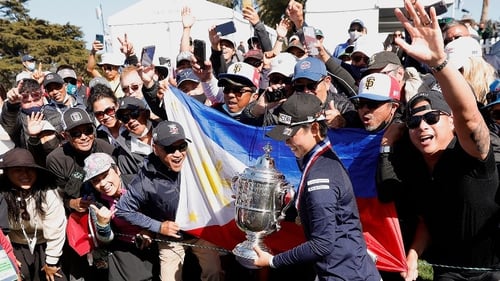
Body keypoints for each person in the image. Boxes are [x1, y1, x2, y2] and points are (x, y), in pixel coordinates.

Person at [378, 1, 500, 280]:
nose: (422, 126)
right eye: (413, 121)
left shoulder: (473, 156)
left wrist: (438, 63)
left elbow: (469, 117)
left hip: (490, 273)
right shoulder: (417, 164)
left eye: (432, 117)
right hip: (447, 271)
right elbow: (429, 218)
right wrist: (413, 255)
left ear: (450, 122)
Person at [253, 93, 381, 281]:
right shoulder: (317, 162)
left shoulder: (320, 175)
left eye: (291, 135)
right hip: (340, 270)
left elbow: (322, 244)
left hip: (347, 275)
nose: (286, 142)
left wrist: (273, 261)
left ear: (314, 128)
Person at [115, 120, 223, 281]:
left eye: (182, 147)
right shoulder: (145, 180)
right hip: (170, 239)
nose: (178, 154)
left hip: (201, 231)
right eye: (170, 149)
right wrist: (158, 226)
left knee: (213, 271)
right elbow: (123, 209)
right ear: (156, 149)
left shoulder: (198, 164)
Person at [46, 107, 115, 281]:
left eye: (88, 130)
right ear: (65, 135)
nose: (84, 136)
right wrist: (72, 204)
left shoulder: (105, 147)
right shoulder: (56, 159)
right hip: (77, 223)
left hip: (109, 216)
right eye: (76, 133)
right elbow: (58, 197)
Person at [83, 152, 160, 281]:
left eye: (105, 175)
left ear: (117, 170)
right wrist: (103, 224)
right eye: (96, 181)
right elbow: (106, 239)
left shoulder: (140, 183)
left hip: (158, 240)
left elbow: (163, 211)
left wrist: (150, 230)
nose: (103, 183)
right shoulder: (96, 201)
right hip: (125, 249)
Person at [0, 148, 67, 281]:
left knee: (55, 276)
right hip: (14, 245)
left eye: (29, 169)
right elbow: (1, 231)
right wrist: (8, 258)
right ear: (7, 173)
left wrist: (51, 261)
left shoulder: (48, 192)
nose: (25, 175)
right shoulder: (2, 195)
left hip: (47, 244)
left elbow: (56, 228)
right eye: (18, 170)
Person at [114, 96, 158, 175]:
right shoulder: (124, 155)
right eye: (125, 118)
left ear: (146, 113)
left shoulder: (163, 130)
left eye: (134, 113)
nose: (131, 120)